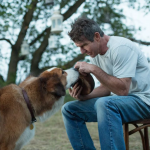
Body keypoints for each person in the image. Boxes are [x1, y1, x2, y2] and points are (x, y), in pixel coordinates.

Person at [61, 17, 150, 150]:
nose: (82, 51)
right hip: (119, 102)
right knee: (69, 110)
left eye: (84, 45)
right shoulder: (96, 54)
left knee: (105, 104)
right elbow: (107, 88)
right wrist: (83, 96)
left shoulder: (121, 48)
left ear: (97, 36)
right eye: (79, 47)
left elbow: (122, 90)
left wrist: (93, 69)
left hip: (143, 101)